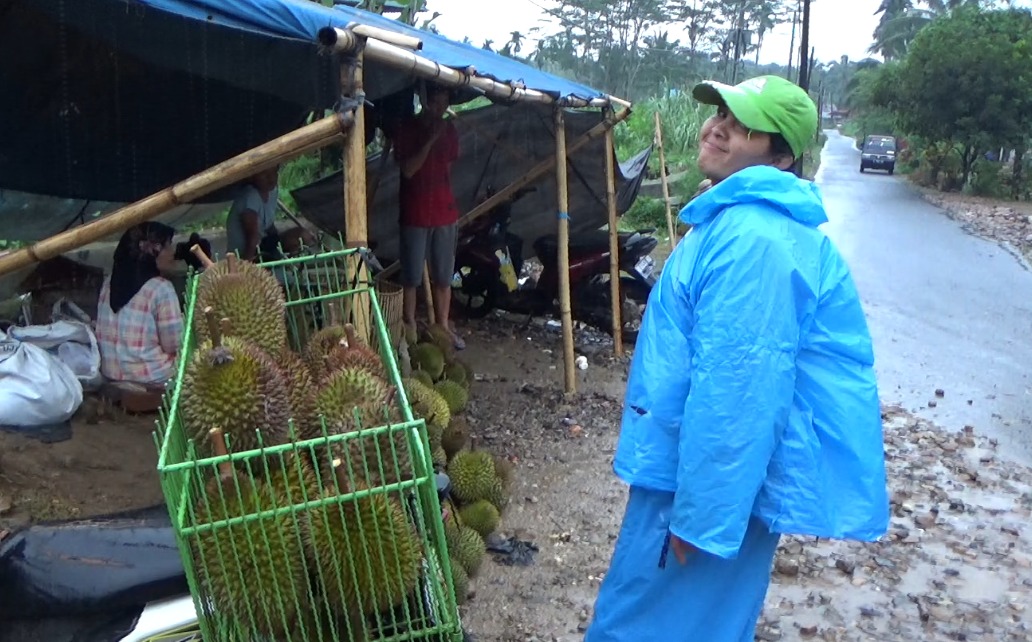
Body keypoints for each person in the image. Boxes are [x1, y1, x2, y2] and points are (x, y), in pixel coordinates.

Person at [583, 75, 890, 642]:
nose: (717, 128)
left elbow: (741, 390)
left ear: (781, 154)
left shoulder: (754, 238)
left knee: (639, 629)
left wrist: (701, 519)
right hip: (702, 481)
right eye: (720, 113)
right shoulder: (740, 222)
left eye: (744, 125)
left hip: (701, 490)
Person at [392, 83, 465, 349]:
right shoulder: (408, 129)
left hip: (444, 211)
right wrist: (430, 141)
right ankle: (409, 326)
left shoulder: (450, 130)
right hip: (415, 212)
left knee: (444, 276)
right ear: (425, 101)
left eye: (445, 102)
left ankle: (443, 326)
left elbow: (448, 166)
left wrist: (438, 138)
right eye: (436, 102)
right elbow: (409, 170)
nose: (441, 108)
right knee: (411, 276)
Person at [94, 222, 184, 387]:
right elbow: (175, 345)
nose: (172, 253)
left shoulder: (109, 283)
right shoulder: (161, 289)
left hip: (110, 373)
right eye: (167, 247)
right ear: (152, 252)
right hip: (152, 377)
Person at [225, 165, 311, 262]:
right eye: (264, 175)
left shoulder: (272, 192)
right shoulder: (250, 196)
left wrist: (277, 245)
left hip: (264, 245)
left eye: (274, 173)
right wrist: (245, 265)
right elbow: (252, 237)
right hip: (247, 251)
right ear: (253, 176)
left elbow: (269, 227)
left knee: (302, 234)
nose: (271, 178)